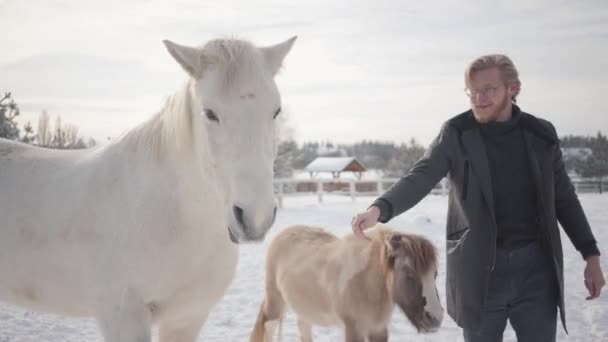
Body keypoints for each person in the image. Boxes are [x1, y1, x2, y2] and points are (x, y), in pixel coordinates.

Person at [351, 54, 605, 342]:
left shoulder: (541, 135)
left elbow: (565, 199)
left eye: (488, 90)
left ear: (512, 89)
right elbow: (421, 176)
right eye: (472, 91)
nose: (479, 98)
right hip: (479, 272)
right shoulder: (456, 133)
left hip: (536, 272)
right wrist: (379, 209)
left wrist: (591, 255)